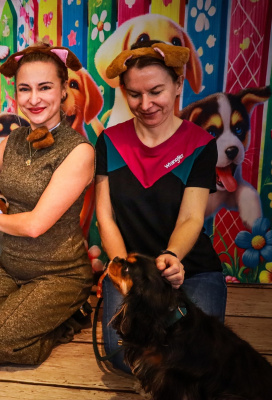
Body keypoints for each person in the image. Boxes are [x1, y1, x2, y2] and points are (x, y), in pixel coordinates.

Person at [0, 42, 95, 365]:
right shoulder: (15, 139)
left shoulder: (78, 151)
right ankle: (27, 312)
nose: (33, 99)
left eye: (45, 87)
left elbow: (35, 224)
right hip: (12, 266)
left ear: (63, 90)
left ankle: (67, 321)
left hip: (59, 274)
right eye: (25, 89)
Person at [95, 40, 227, 373]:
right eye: (134, 94)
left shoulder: (200, 144)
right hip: (133, 269)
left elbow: (192, 217)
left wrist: (173, 257)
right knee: (123, 355)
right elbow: (105, 217)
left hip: (190, 268)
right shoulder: (109, 141)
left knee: (199, 355)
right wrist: (124, 270)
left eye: (156, 91)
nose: (146, 104)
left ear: (178, 85)